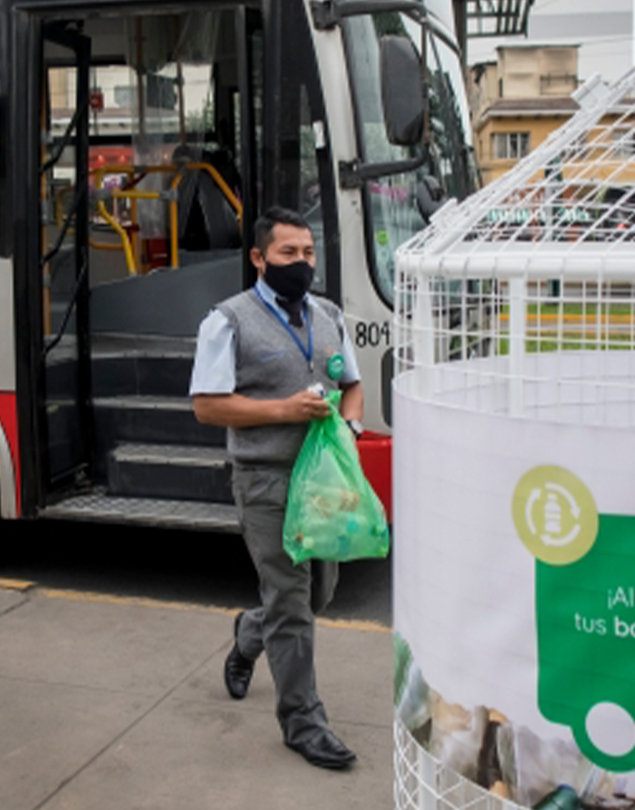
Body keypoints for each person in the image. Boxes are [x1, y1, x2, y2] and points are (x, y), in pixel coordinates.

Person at [190, 206, 364, 770]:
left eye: (309, 253)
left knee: (317, 596)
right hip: (265, 479)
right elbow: (208, 407)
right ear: (259, 259)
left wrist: (350, 430)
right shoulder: (227, 320)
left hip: (324, 481)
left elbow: (352, 384)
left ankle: (248, 633)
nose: (302, 263)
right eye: (289, 254)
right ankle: (303, 723)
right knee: (292, 601)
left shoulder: (329, 314)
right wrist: (284, 409)